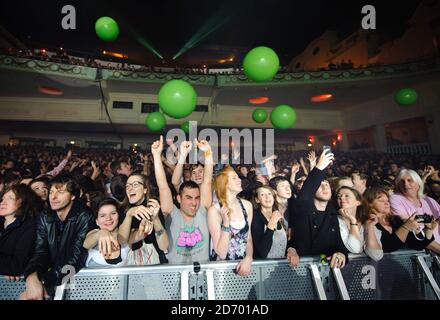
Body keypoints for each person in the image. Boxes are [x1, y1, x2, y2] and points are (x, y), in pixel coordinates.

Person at [20, 174, 93, 300]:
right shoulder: (45, 216)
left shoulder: (84, 216)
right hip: (54, 276)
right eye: (51, 192)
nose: (53, 197)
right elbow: (40, 251)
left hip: (76, 279)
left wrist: (44, 281)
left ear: (73, 196)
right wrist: (32, 275)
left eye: (60, 192)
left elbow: (76, 257)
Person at [154, 136, 213, 264]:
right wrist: (156, 156)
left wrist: (208, 152)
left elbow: (207, 182)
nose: (194, 203)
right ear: (179, 198)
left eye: (197, 198)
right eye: (189, 198)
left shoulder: (202, 211)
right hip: (175, 275)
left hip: (202, 275)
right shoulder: (172, 214)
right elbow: (163, 187)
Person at [286, 150, 348, 269]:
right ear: (313, 190)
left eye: (327, 185)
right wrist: (318, 167)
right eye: (320, 185)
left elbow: (338, 243)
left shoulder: (333, 214)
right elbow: (305, 196)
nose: (325, 187)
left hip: (326, 269)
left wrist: (341, 253)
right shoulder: (304, 210)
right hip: (301, 270)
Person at [364, 187, 436, 258]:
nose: (386, 203)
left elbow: (418, 245)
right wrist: (406, 227)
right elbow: (388, 247)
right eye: (381, 200)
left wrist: (428, 229)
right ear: (369, 204)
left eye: (387, 200)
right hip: (381, 267)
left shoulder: (396, 220)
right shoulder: (370, 222)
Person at [209, 165, 253, 276]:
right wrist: (226, 223)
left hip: (243, 268)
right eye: (234, 178)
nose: (239, 180)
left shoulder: (247, 206)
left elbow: (248, 238)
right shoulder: (214, 210)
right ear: (224, 183)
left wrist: (249, 257)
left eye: (238, 177)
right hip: (221, 271)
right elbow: (221, 253)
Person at [118, 173, 168, 265]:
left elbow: (164, 246)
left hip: (155, 264)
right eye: (127, 186)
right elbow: (121, 240)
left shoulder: (153, 207)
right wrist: (129, 214)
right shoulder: (123, 210)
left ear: (145, 189)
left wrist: (155, 219)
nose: (130, 188)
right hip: (132, 264)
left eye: (135, 185)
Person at [390, 169, 440, 247]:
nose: (406, 184)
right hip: (426, 251)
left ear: (418, 183)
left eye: (410, 180)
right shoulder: (395, 199)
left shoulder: (429, 200)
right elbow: (415, 234)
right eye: (402, 182)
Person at [0, 185, 40, 278]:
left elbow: (16, 265)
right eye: (2, 199)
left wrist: (6, 268)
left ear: (23, 202)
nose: (3, 203)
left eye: (10, 198)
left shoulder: (29, 227)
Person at [84, 199, 130, 267]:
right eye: (102, 216)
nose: (108, 218)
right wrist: (101, 233)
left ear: (119, 216)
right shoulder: (94, 234)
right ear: (97, 221)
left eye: (113, 213)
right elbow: (85, 244)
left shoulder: (125, 236)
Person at [251, 186, 287, 259]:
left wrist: (291, 250)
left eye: (269, 194)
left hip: (281, 265)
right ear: (257, 200)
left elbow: (284, 243)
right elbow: (263, 251)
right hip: (263, 266)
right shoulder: (255, 218)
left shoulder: (278, 215)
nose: (267, 197)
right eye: (262, 195)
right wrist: (271, 224)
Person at [336, 186, 367, 253]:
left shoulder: (366, 222)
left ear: (358, 203)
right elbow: (355, 249)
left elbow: (376, 254)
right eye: (339, 196)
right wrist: (353, 221)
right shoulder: (335, 221)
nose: (341, 198)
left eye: (347, 195)